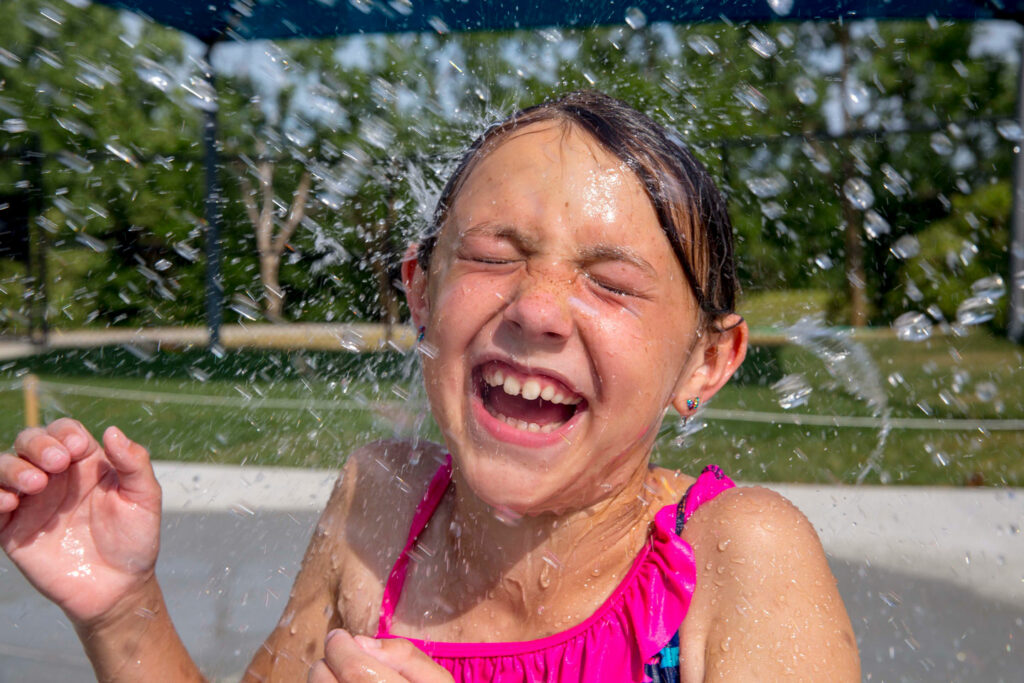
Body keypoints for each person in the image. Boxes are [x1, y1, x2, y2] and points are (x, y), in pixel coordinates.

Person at [0, 90, 859, 682]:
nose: (539, 309)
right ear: (421, 289)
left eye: (611, 282)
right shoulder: (378, 507)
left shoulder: (737, 560)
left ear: (707, 361)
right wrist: (121, 607)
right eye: (492, 255)